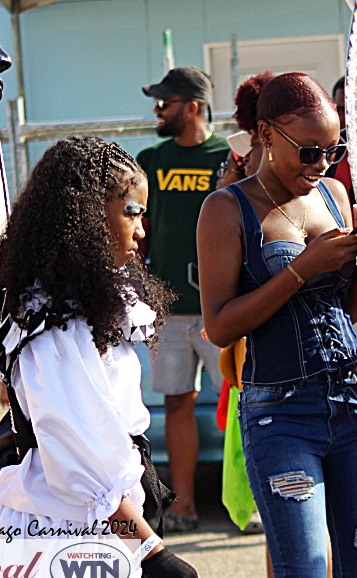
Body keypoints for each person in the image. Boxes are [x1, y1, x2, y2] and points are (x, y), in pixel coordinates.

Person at [0, 136, 208, 578]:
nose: (143, 230)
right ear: (85, 211)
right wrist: (150, 550)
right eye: (132, 212)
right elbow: (83, 462)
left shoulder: (85, 303)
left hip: (100, 531)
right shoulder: (57, 322)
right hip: (70, 538)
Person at [198, 71, 357, 578]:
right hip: (281, 413)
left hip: (354, 404)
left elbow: (346, 306)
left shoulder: (335, 195)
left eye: (334, 149)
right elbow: (220, 325)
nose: (321, 165)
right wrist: (302, 269)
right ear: (265, 135)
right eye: (309, 151)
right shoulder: (227, 210)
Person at [138, 66, 229, 531]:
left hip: (223, 309)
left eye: (164, 103)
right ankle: (184, 504)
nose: (157, 111)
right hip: (167, 310)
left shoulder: (227, 156)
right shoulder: (150, 160)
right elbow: (141, 230)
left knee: (239, 402)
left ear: (192, 106)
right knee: (177, 402)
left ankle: (248, 506)